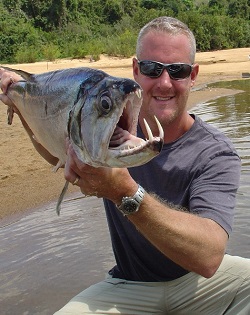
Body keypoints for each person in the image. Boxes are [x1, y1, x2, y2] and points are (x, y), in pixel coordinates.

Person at [0, 16, 249, 315]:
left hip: (198, 284)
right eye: (152, 69)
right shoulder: (107, 130)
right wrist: (20, 102)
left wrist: (124, 192)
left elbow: (209, 258)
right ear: (135, 70)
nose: (165, 82)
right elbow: (56, 154)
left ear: (193, 75)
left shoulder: (216, 152)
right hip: (129, 287)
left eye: (178, 71)